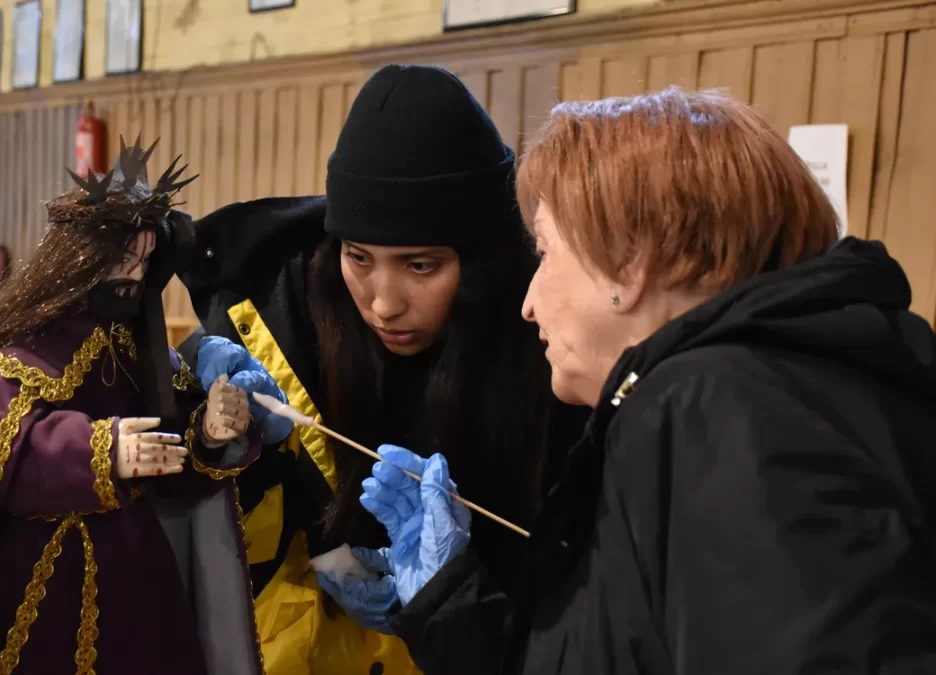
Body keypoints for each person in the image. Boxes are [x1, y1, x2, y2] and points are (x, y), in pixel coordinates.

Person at [349, 87, 936, 674]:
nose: (529, 303)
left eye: (546, 253)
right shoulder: (768, 390)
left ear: (628, 268)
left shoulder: (719, 408)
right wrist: (448, 597)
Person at [177, 64, 587, 674]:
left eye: (420, 266)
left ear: (482, 264)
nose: (383, 301)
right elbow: (198, 535)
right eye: (358, 257)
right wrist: (217, 443)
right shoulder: (277, 319)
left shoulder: (553, 353)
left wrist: (452, 590)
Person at [0, 139, 283, 675]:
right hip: (44, 580)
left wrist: (209, 431)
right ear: (82, 259)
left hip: (138, 582)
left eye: (146, 261)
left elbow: (174, 465)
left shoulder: (137, 349)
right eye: (124, 259)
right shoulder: (27, 349)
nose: (135, 275)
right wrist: (100, 450)